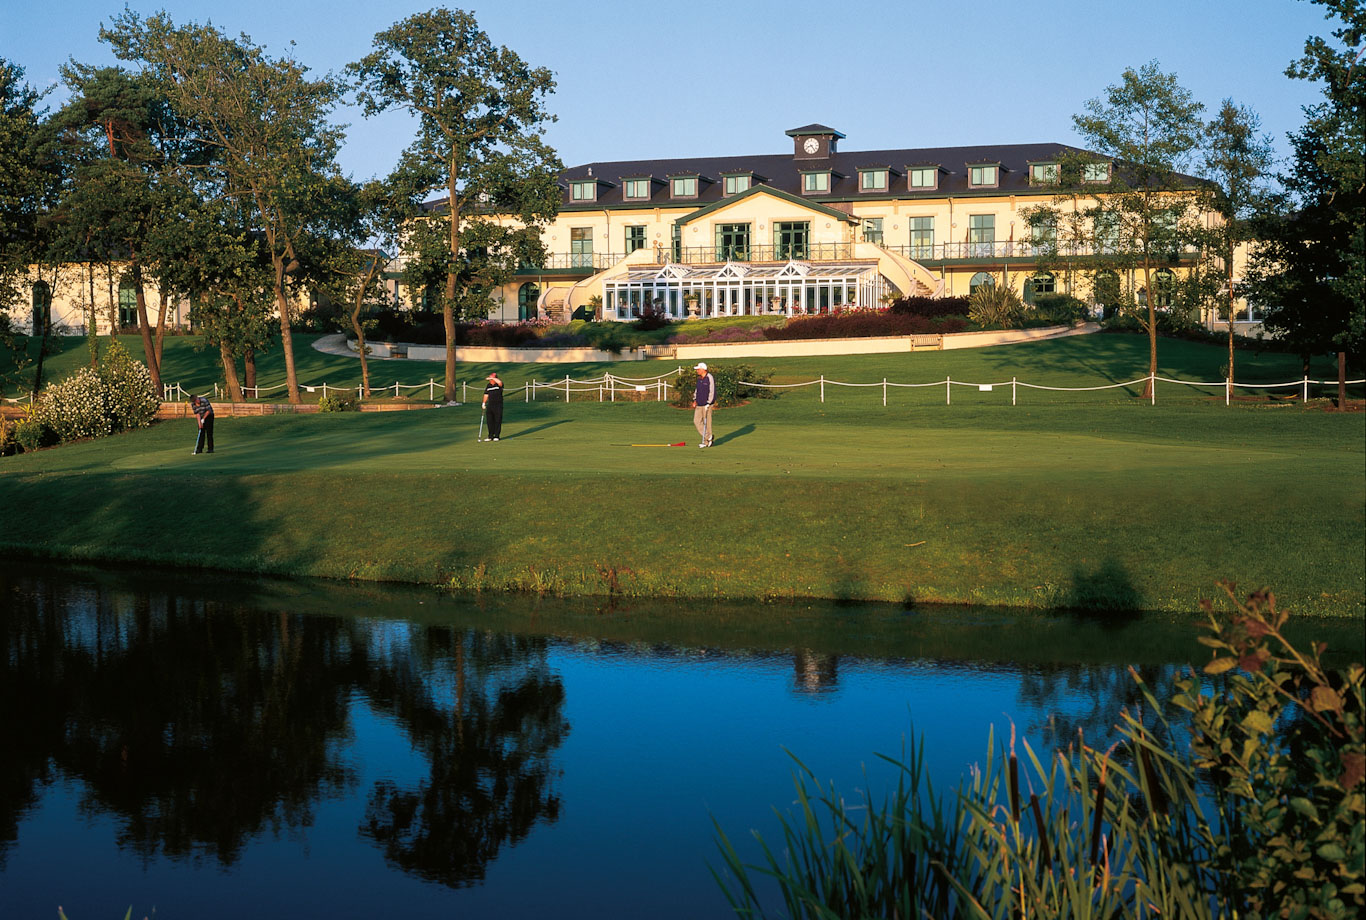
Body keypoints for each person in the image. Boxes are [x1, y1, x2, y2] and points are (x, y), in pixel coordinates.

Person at [692, 362, 715, 448]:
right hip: (699, 404)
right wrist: (695, 400)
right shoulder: (699, 379)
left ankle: (706, 442)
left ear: (703, 369)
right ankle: (708, 437)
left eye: (698, 369)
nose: (697, 370)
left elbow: (712, 390)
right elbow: (697, 390)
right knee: (696, 421)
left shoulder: (709, 378)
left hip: (707, 404)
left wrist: (709, 403)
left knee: (707, 423)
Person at [482, 371, 504, 441]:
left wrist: (493, 378)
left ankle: (496, 436)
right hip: (490, 405)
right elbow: (486, 395)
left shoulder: (499, 385)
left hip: (498, 405)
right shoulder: (488, 386)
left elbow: (500, 382)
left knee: (497, 420)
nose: (491, 380)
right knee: (490, 421)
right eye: (491, 379)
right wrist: (483, 403)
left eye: (492, 379)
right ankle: (490, 436)